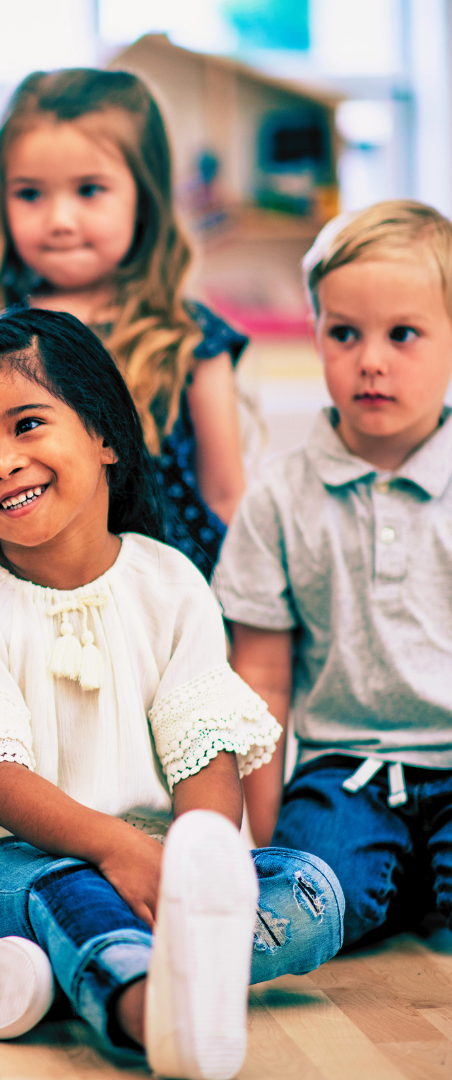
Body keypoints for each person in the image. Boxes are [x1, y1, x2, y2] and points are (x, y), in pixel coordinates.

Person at [0, 308, 342, 1080]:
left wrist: (196, 869)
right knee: (62, 890)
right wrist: (116, 849)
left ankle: (19, 981)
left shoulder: (171, 584)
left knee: (311, 890)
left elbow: (204, 756)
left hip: (149, 864)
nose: (1, 461)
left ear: (105, 438)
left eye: (27, 424)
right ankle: (141, 1002)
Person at [215, 200, 452, 949]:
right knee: (304, 898)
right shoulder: (280, 496)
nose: (369, 360)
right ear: (316, 332)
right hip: (345, 771)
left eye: (402, 335)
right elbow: (261, 678)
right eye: (343, 333)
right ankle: (194, 970)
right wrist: (260, 832)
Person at [0, 68, 248, 580]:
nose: (60, 218)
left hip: (169, 602)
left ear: (143, 199)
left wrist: (252, 623)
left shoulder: (191, 339)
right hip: (27, 602)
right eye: (30, 194)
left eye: (89, 190)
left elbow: (225, 494)